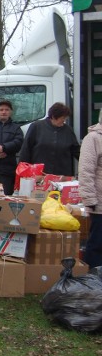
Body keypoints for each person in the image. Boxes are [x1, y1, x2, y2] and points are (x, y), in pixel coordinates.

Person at [19, 102, 80, 176]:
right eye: (63, 118)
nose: (64, 120)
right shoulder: (36, 126)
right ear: (54, 117)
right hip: (40, 175)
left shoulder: (68, 130)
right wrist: (24, 171)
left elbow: (76, 151)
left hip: (62, 175)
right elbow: (26, 149)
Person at [78, 110, 102, 269]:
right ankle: (93, 278)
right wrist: (90, 200)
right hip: (100, 202)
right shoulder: (93, 138)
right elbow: (86, 171)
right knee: (97, 243)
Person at [0, 100, 23, 195]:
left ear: (11, 112)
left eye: (7, 110)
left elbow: (18, 142)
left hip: (7, 172)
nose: (4, 112)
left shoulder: (16, 128)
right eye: (1, 109)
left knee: (5, 198)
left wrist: (4, 148)